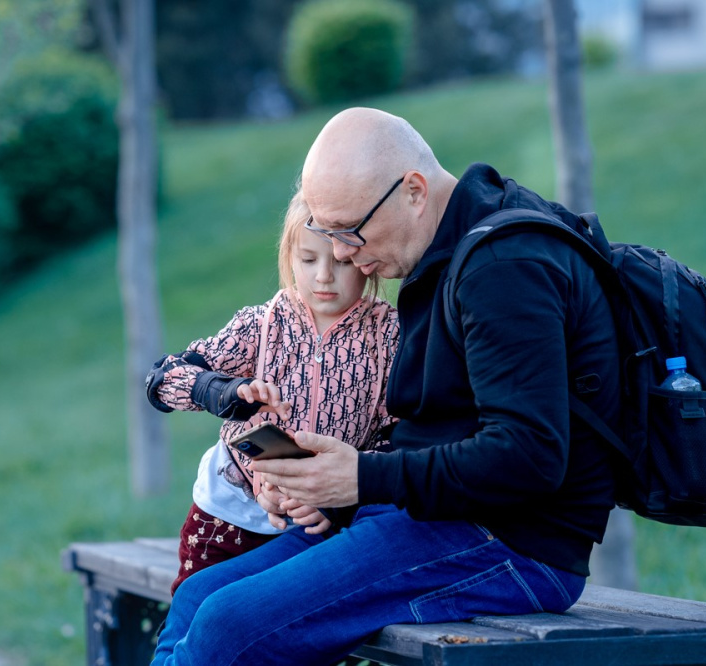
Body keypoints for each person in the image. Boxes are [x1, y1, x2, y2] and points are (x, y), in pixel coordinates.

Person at [151, 107, 622, 666]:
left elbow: (530, 457)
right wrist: (323, 485)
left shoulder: (502, 266)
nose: (343, 255)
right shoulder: (448, 246)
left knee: (227, 629)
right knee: (199, 598)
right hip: (429, 516)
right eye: (325, 235)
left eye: (350, 231)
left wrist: (359, 475)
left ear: (414, 192)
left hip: (511, 542)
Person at [145, 189, 399, 595]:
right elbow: (164, 380)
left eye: (338, 261)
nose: (323, 276)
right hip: (227, 517)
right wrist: (227, 391)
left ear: (363, 260)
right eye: (308, 259)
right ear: (289, 257)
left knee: (279, 641)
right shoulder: (260, 326)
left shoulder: (388, 336)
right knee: (195, 621)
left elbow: (397, 434)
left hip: (320, 523)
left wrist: (338, 500)